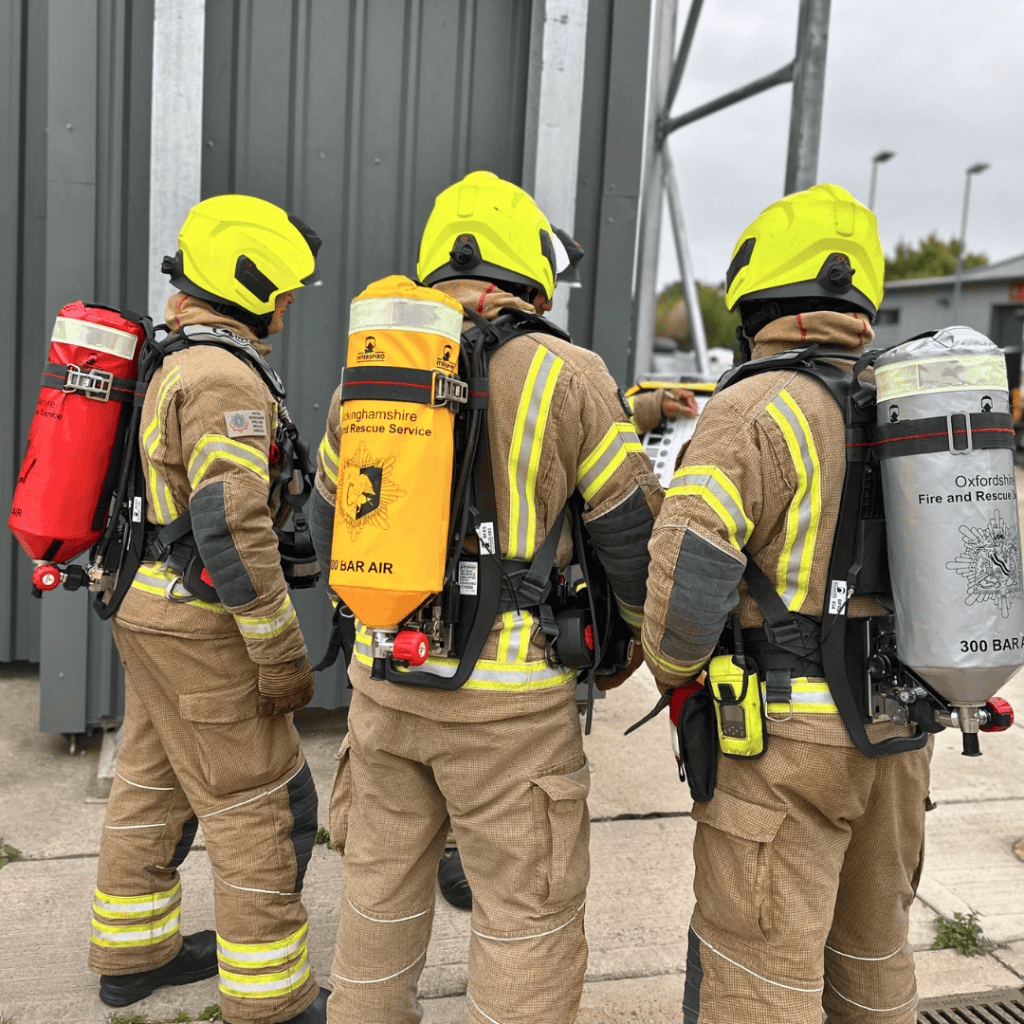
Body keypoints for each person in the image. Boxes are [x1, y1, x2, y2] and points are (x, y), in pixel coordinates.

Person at [309, 170, 662, 1024]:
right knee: (525, 921)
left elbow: (329, 525)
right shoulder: (568, 374)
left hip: (385, 687)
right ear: (528, 273)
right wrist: (626, 652)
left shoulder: (366, 375)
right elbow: (630, 538)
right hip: (511, 713)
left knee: (378, 900)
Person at [642, 184, 932, 1024]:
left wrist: (670, 667)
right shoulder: (905, 403)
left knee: (755, 974)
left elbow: (691, 562)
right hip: (900, 728)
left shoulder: (754, 406)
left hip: (787, 741)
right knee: (874, 957)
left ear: (756, 298)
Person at [89, 194, 328, 1024]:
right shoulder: (225, 378)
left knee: (155, 780)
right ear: (249, 283)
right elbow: (231, 526)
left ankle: (133, 954)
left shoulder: (170, 359)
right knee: (263, 802)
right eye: (285, 290)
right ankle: (271, 1000)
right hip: (199, 623)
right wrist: (279, 654)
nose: (290, 305)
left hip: (144, 608)